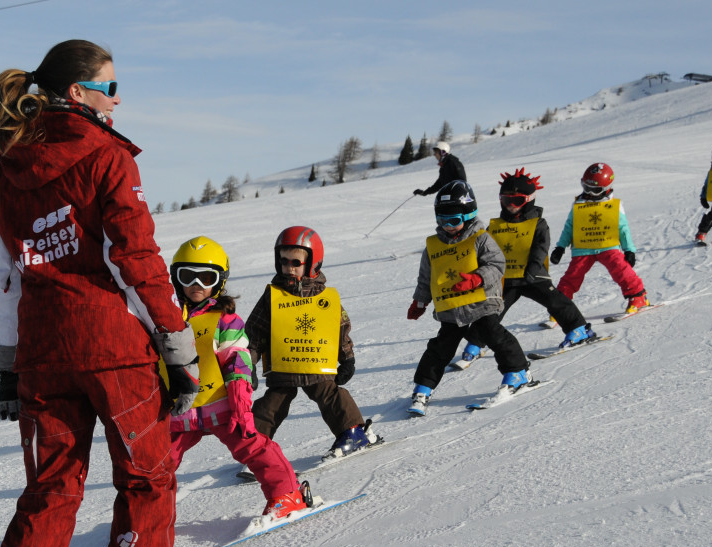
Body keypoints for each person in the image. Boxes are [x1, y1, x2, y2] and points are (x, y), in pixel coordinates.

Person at [0, 39, 199, 547]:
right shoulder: (106, 156)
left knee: (50, 492)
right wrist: (176, 342)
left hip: (44, 358)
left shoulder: (7, 172)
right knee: (146, 476)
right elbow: (135, 259)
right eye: (110, 85)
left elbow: (1, 279)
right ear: (78, 94)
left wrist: (12, 365)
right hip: (112, 350)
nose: (118, 97)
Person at [166, 236, 309, 517]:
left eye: (206, 277)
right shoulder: (165, 318)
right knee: (158, 463)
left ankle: (287, 495)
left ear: (218, 282)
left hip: (222, 405)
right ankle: (149, 516)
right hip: (179, 411)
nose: (197, 285)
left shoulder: (224, 319)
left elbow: (237, 361)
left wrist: (242, 407)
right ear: (175, 278)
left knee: (253, 446)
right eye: (188, 277)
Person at [246, 226, 379, 459]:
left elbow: (340, 330)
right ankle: (256, 445)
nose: (289, 268)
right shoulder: (273, 295)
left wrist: (347, 358)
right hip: (283, 364)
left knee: (331, 395)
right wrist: (248, 365)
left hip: (316, 363)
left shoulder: (325, 298)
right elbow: (254, 334)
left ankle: (354, 432)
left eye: (295, 262)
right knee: (272, 404)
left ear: (313, 263)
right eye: (284, 261)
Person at [406, 180, 531, 416]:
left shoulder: (480, 238)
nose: (448, 226)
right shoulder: (433, 246)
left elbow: (497, 264)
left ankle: (518, 371)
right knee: (440, 348)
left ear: (469, 215)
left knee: (493, 334)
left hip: (482, 302)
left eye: (453, 220)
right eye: (442, 220)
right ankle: (423, 388)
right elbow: (426, 277)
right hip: (451, 308)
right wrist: (420, 301)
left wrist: (477, 278)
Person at [456, 169, 596, 364]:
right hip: (505, 278)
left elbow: (541, 246)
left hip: (533, 275)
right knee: (491, 310)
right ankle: (476, 342)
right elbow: (485, 248)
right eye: (506, 201)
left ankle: (579, 329)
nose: (511, 206)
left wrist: (533, 267)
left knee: (555, 301)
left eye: (517, 201)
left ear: (529, 200)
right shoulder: (495, 226)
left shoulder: (538, 223)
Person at [550, 163, 650, 315]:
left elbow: (623, 229)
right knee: (572, 276)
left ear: (607, 188)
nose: (589, 193)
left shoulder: (613, 205)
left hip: (607, 245)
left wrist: (629, 250)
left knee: (621, 270)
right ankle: (561, 308)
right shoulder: (579, 204)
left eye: (595, 190)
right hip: (583, 247)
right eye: (586, 188)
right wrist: (560, 247)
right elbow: (569, 227)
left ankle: (638, 296)